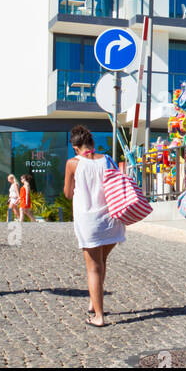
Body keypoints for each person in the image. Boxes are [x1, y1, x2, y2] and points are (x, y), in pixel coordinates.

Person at [64, 124, 125, 327]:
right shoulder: (107, 160)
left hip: (89, 221)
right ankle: (94, 299)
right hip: (111, 220)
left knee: (93, 268)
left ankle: (98, 316)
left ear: (75, 147)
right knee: (102, 261)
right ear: (92, 143)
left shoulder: (73, 163)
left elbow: (67, 193)